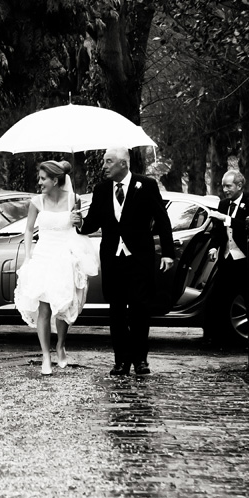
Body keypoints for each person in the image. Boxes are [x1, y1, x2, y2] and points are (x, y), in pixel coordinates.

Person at [74, 147, 174, 377]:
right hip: (113, 260)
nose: (104, 166)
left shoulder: (146, 185)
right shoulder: (101, 190)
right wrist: (79, 222)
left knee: (140, 310)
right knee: (116, 312)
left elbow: (162, 219)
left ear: (123, 164)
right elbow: (92, 223)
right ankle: (121, 361)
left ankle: (140, 360)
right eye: (104, 162)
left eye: (108, 161)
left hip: (139, 259)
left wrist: (168, 253)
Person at [15, 160, 99, 376]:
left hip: (64, 256)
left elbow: (80, 228)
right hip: (43, 256)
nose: (39, 182)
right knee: (43, 308)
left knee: (62, 307)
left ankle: (60, 345)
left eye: (43, 179)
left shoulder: (73, 199)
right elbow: (28, 230)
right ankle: (46, 355)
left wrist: (78, 221)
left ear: (55, 180)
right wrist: (28, 256)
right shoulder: (36, 202)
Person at [206, 170, 249, 341]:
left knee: (248, 297)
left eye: (228, 186)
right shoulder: (223, 204)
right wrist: (213, 247)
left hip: (244, 260)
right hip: (226, 258)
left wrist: (226, 219)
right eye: (223, 186)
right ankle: (216, 337)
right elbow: (217, 231)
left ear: (239, 185)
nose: (225, 190)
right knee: (218, 297)